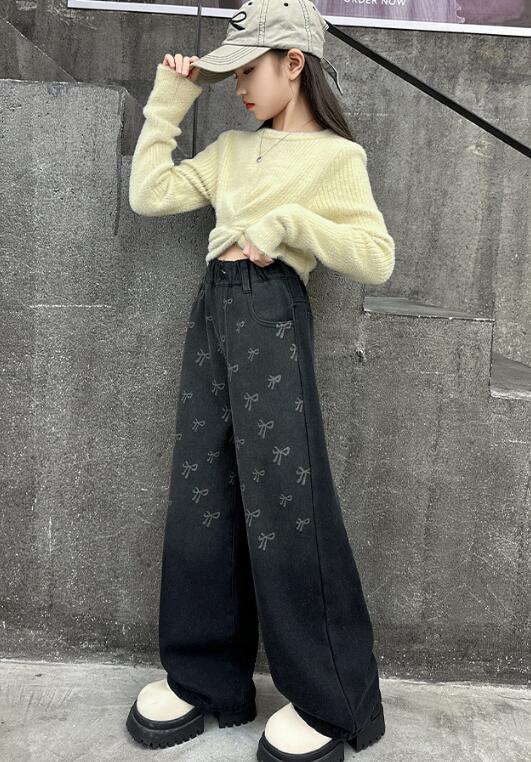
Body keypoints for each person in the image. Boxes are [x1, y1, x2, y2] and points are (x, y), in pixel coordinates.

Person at [126, 1, 394, 760]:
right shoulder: (229, 149)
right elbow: (149, 194)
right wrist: (169, 104)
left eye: (248, 69)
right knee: (201, 493)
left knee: (286, 501)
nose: (239, 86)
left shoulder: (336, 158)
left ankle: (331, 698)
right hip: (212, 308)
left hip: (272, 310)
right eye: (233, 73)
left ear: (293, 63)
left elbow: (376, 257)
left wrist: (287, 225)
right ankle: (206, 677)